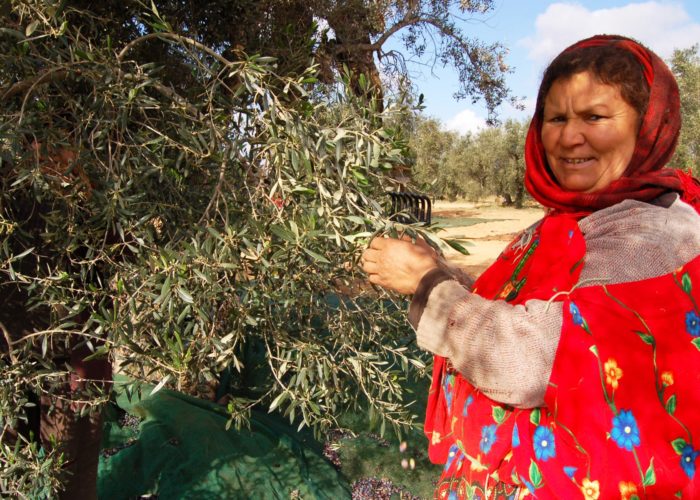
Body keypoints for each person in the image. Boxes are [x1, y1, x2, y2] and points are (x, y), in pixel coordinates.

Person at [362, 35, 700, 498]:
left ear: (647, 125)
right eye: (556, 118)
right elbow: (534, 312)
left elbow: (532, 364)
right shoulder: (571, 223)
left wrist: (429, 284)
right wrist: (448, 274)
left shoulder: (651, 235)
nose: (568, 137)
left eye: (595, 117)